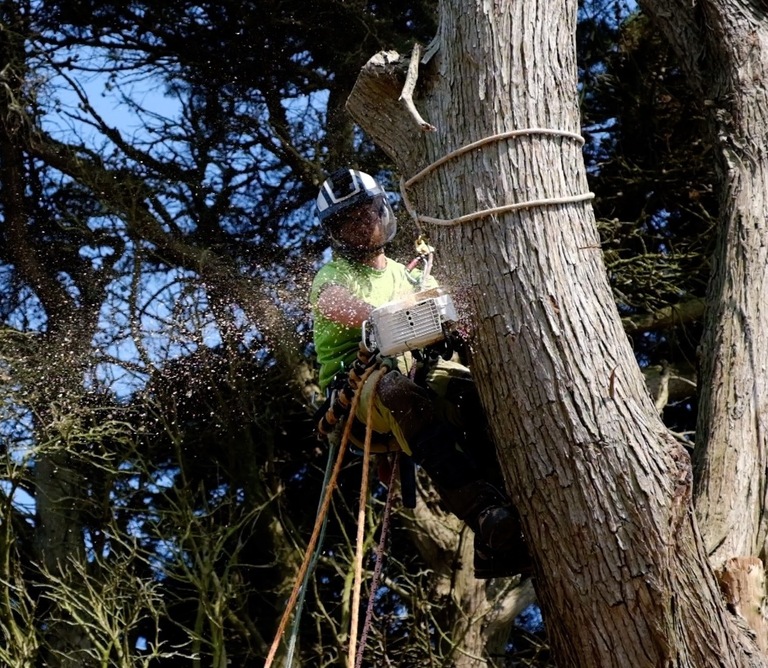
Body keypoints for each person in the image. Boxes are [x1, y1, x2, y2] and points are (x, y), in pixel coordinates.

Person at [310, 168, 530, 579]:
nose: (360, 226)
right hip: (361, 387)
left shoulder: (405, 273)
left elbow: (440, 306)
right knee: (397, 392)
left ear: (382, 211)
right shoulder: (334, 275)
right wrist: (382, 317)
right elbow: (335, 304)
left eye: (364, 214)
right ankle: (482, 513)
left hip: (417, 373)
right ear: (335, 233)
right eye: (347, 221)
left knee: (466, 389)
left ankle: (498, 531)